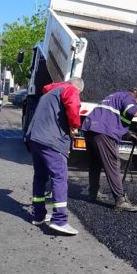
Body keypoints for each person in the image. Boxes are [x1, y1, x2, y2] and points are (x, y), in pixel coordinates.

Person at [25, 77, 84, 235]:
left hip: (35, 139)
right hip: (52, 141)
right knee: (60, 177)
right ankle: (59, 220)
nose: (78, 95)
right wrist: (74, 127)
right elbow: (73, 106)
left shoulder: (48, 93)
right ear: (77, 87)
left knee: (40, 177)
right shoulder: (70, 89)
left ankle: (38, 215)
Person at [81, 88, 137, 212]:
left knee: (95, 163)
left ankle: (93, 192)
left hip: (90, 128)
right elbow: (132, 111)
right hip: (103, 131)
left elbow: (115, 119)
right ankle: (120, 200)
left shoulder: (114, 97)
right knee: (113, 164)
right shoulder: (128, 97)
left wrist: (129, 135)